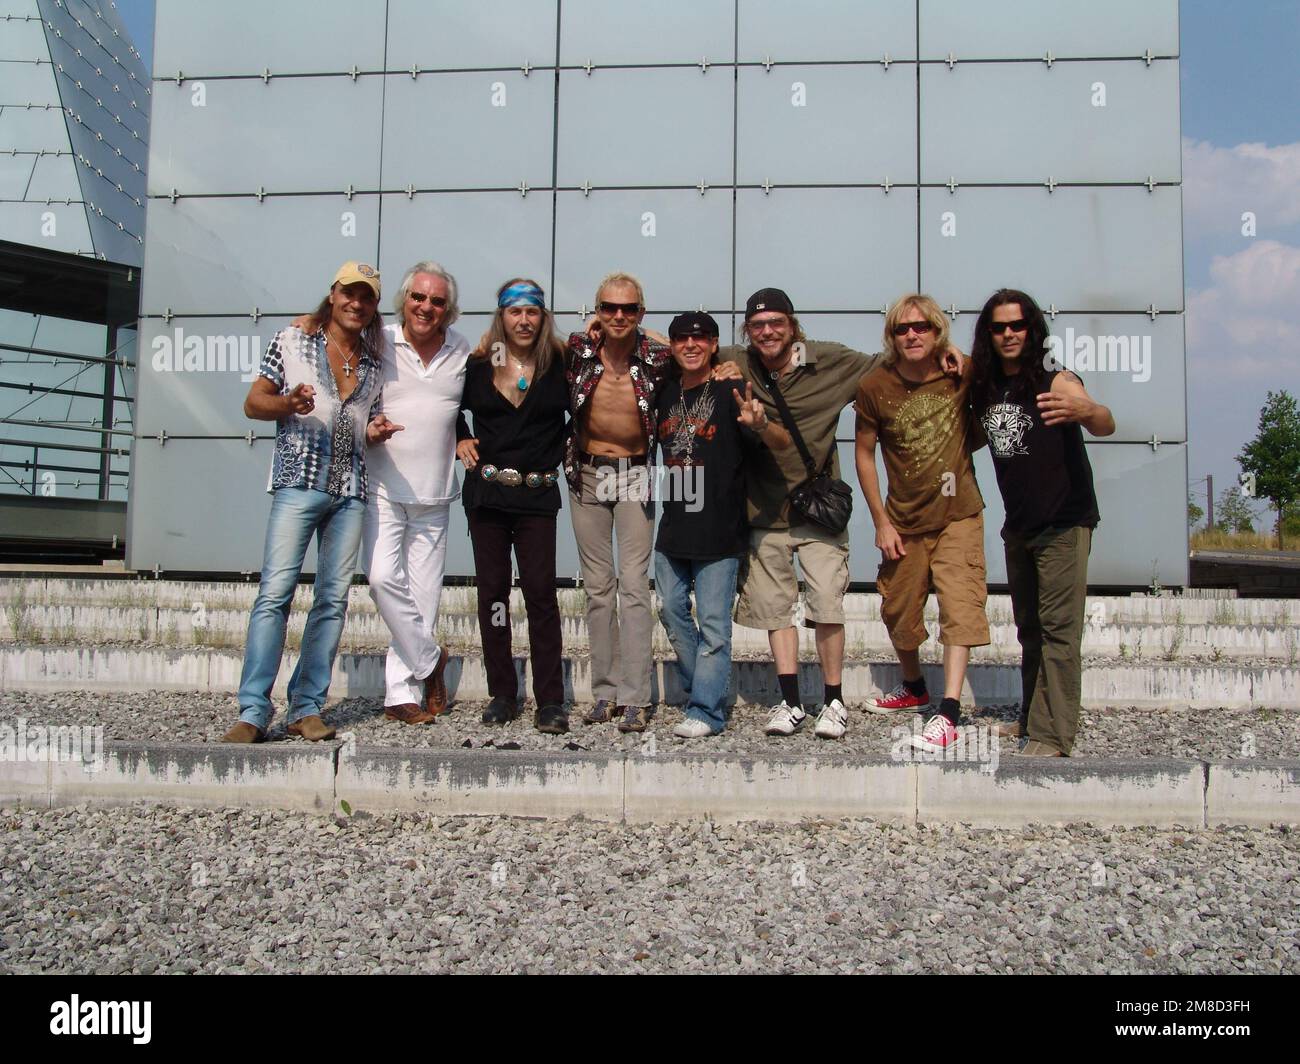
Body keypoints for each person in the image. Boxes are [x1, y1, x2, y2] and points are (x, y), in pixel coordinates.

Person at [717, 287, 962, 741]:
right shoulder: (737, 359)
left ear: (792, 325)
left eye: (776, 322)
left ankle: (833, 701)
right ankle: (790, 702)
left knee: (826, 604)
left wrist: (948, 352)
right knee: (775, 612)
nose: (767, 331)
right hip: (762, 511)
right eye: (757, 325)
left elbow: (893, 361)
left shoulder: (830, 360)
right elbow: (681, 345)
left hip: (817, 511)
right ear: (746, 332)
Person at [223, 262, 384, 743]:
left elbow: (364, 423)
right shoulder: (293, 341)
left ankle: (306, 706)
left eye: (367, 296)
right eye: (349, 293)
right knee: (275, 595)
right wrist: (287, 403)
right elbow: (254, 403)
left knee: (332, 601)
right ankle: (253, 711)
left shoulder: (375, 362)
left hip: (350, 488)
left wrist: (373, 431)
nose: (357, 303)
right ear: (333, 295)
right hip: (298, 482)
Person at [969, 289, 1113, 757]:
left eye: (1017, 325)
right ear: (987, 334)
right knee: (1030, 629)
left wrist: (1087, 411)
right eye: (999, 326)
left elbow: (1104, 420)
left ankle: (1054, 735)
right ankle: (1032, 720)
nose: (1009, 334)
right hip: (1020, 526)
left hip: (1064, 523)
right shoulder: (986, 387)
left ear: (1032, 330)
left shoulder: (1057, 380)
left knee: (1058, 631)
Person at [854, 294, 990, 754]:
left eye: (922, 327)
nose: (912, 335)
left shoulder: (959, 373)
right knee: (898, 610)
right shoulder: (874, 386)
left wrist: (963, 357)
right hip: (904, 520)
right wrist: (880, 521)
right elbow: (863, 454)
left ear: (938, 331)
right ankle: (914, 685)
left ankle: (948, 712)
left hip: (958, 514)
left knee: (960, 606)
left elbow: (997, 369)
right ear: (890, 336)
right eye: (902, 329)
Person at [653, 312, 791, 737]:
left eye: (700, 338)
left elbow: (782, 442)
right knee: (671, 611)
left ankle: (707, 712)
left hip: (720, 529)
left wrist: (760, 422)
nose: (690, 345)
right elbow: (639, 334)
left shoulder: (734, 389)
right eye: (681, 339)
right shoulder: (665, 390)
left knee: (714, 625)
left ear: (714, 344)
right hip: (673, 527)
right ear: (672, 347)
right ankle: (704, 688)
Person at [456, 279, 570, 734]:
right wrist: (459, 436)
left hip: (537, 497)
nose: (524, 320)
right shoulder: (481, 364)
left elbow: (630, 338)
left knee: (542, 595)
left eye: (533, 312)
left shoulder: (561, 363)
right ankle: (502, 693)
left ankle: (550, 701)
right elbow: (447, 409)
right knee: (494, 595)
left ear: (543, 317)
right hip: (487, 497)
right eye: (514, 312)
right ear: (501, 316)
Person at [361, 261, 469, 724]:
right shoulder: (378, 338)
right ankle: (431, 661)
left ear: (449, 309)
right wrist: (308, 318)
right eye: (418, 298)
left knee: (424, 599)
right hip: (383, 486)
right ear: (404, 299)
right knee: (382, 579)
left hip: (436, 494)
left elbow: (519, 352)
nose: (427, 307)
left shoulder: (464, 349)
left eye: (437, 301)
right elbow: (332, 330)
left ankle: (400, 696)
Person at [564, 272, 669, 733]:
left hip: (634, 475)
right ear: (597, 310)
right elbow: (527, 345)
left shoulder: (658, 359)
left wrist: (641, 332)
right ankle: (604, 691)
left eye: (629, 309)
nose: (619, 316)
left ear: (641, 314)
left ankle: (636, 696)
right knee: (597, 588)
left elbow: (703, 352)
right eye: (609, 308)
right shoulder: (578, 352)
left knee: (633, 585)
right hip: (586, 473)